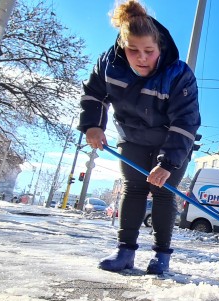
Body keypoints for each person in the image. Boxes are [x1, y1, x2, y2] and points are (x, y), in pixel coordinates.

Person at [78, 0, 200, 275]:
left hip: (172, 141)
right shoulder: (109, 64)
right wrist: (93, 125)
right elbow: (93, 95)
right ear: (123, 47)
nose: (141, 57)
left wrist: (167, 163)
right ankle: (125, 252)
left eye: (148, 51)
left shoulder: (179, 74)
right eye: (133, 50)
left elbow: (186, 121)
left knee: (162, 193)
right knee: (133, 189)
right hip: (131, 136)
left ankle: (161, 257)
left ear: (160, 48)